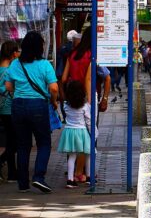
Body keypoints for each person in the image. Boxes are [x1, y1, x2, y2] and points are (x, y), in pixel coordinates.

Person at [4, 31, 59, 193]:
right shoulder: (44, 65)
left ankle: (23, 184)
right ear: (39, 47)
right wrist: (53, 101)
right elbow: (54, 87)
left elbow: (8, 86)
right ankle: (38, 177)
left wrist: (17, 95)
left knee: (23, 145)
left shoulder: (15, 64)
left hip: (18, 106)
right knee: (44, 142)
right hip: (38, 106)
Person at [58, 81, 93, 188]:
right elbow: (89, 121)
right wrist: (94, 133)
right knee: (87, 154)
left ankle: (70, 179)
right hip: (82, 132)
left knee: (72, 156)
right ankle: (89, 176)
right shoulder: (85, 106)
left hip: (69, 131)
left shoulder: (65, 105)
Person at [0, 41, 20, 181]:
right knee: (15, 142)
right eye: (17, 51)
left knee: (10, 140)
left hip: (2, 108)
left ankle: (13, 173)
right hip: (9, 108)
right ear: (13, 53)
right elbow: (8, 88)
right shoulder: (11, 70)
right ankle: (3, 162)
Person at [61, 31, 93, 103]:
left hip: (73, 93)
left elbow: (63, 78)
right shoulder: (90, 55)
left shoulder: (71, 55)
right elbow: (88, 79)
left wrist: (63, 92)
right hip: (86, 92)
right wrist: (89, 98)